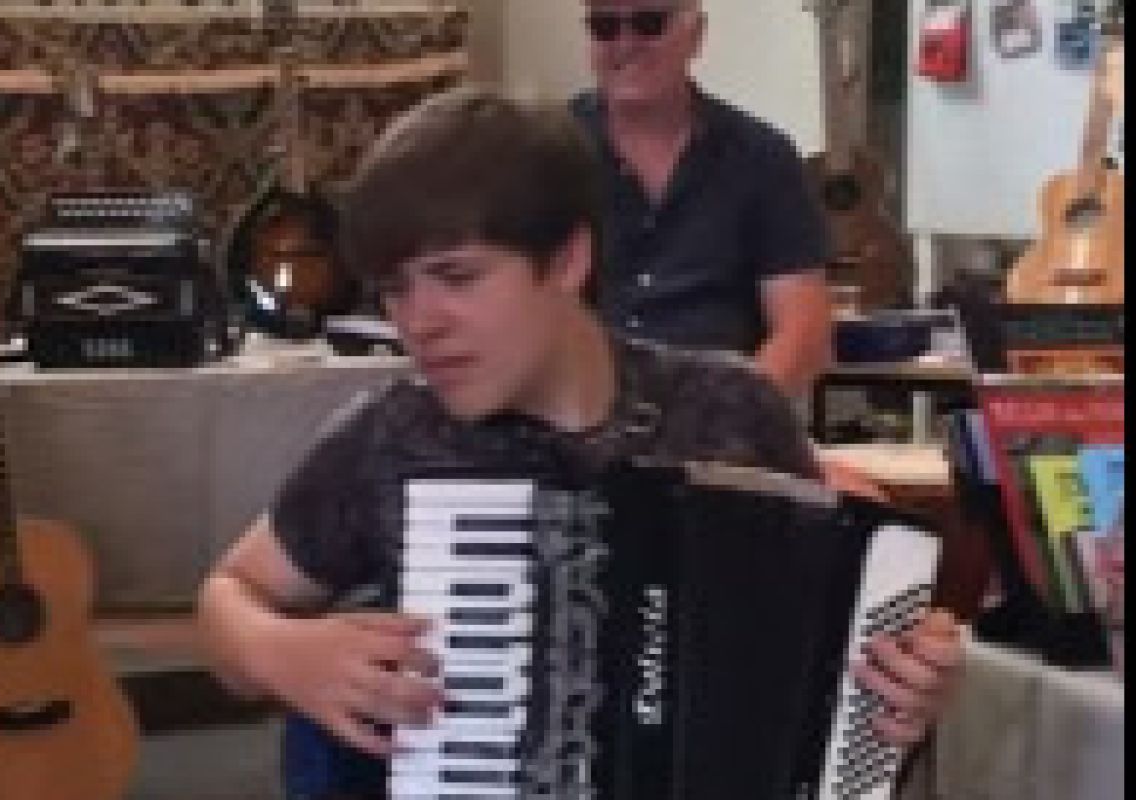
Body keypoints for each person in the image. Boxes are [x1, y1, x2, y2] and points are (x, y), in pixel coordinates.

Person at [195, 87, 961, 779]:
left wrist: (905, 687)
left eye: (457, 278)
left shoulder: (731, 411)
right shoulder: (392, 438)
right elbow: (230, 595)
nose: (419, 323)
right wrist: (283, 653)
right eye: (396, 289)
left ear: (567, 259)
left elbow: (829, 677)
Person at [571, 0, 836, 399]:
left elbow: (803, 334)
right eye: (605, 26)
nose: (625, 43)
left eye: (649, 23)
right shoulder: (545, 156)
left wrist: (726, 417)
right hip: (576, 434)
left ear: (696, 35)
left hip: (728, 432)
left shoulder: (764, 159)